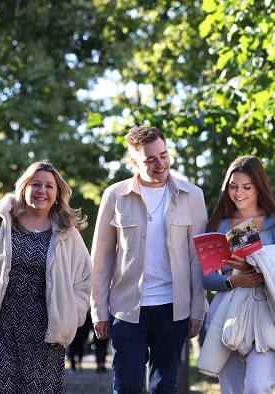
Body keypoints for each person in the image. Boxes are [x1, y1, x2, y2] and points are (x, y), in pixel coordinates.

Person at [0, 159, 93, 393]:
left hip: (47, 336)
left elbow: (84, 281)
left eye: (49, 186)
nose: (42, 191)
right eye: (35, 184)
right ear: (24, 188)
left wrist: (71, 315)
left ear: (57, 194)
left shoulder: (68, 233)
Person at [90, 126, 209, 393]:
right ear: (134, 162)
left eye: (164, 155)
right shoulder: (114, 196)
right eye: (150, 159)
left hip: (173, 309)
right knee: (126, 386)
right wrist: (98, 310)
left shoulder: (193, 196)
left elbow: (197, 259)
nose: (160, 164)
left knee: (164, 386)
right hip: (126, 310)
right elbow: (101, 258)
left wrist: (198, 309)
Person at [202, 156, 275, 394]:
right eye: (233, 186)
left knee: (257, 385)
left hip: (265, 311)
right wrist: (233, 280)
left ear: (258, 187)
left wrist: (252, 268)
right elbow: (207, 278)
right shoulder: (219, 225)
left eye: (246, 187)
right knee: (231, 388)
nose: (238, 193)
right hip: (227, 312)